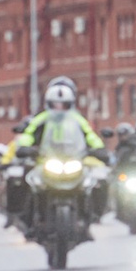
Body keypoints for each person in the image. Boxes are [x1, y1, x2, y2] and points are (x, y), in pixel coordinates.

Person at [18, 78, 109, 217]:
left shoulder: (78, 120)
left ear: (70, 104)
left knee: (93, 182)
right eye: (55, 104)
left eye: (63, 105)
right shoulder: (41, 119)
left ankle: (91, 215)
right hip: (45, 161)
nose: (59, 108)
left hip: (73, 159)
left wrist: (99, 149)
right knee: (27, 181)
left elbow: (90, 136)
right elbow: (28, 134)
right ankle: (27, 215)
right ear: (48, 103)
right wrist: (25, 147)